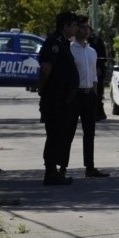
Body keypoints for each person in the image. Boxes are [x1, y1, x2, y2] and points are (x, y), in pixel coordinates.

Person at [38, 12, 80, 186]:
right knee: (55, 134)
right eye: (74, 25)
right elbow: (46, 68)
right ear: (65, 26)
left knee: (61, 135)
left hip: (64, 98)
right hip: (55, 98)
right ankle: (50, 172)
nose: (76, 28)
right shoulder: (54, 42)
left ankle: (55, 171)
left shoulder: (64, 42)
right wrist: (42, 89)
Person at [69, 16, 110, 178]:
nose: (85, 30)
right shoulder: (70, 49)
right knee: (68, 132)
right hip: (74, 95)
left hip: (89, 95)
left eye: (87, 28)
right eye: (81, 27)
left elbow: (94, 76)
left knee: (90, 133)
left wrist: (95, 95)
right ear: (75, 29)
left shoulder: (92, 51)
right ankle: (62, 168)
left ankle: (90, 167)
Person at [87, 27, 108, 121]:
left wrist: (99, 67)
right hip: (88, 70)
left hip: (97, 69)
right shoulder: (86, 41)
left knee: (98, 92)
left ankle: (98, 113)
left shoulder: (96, 41)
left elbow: (101, 55)